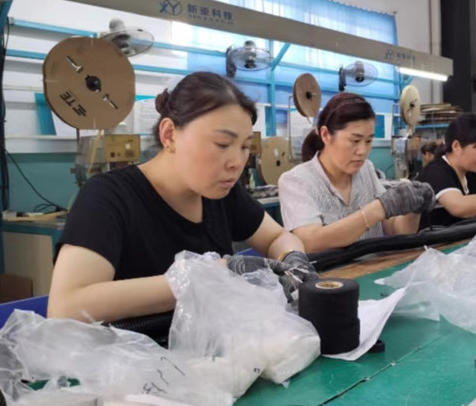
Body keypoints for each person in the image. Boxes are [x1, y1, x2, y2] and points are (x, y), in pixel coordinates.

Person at [49, 72, 316, 323]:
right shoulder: (108, 197)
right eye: (222, 144)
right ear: (169, 135)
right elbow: (66, 307)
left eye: (245, 146)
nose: (237, 162)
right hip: (133, 353)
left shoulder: (221, 193)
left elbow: (276, 237)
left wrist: (292, 257)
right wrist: (207, 277)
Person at [278, 92, 435, 253]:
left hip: (375, 268)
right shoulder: (297, 181)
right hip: (330, 270)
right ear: (325, 135)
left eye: (368, 141)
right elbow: (309, 242)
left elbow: (396, 231)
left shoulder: (366, 170)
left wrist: (413, 208)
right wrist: (379, 208)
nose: (362, 151)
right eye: (355, 140)